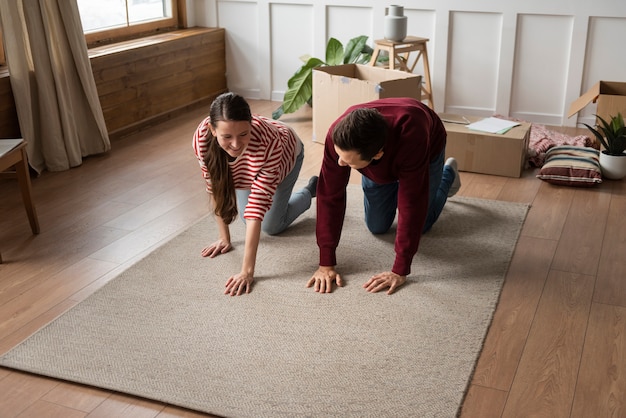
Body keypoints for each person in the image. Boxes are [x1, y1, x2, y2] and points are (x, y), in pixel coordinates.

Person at [307, 97, 461, 295]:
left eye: (349, 162)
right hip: (378, 157)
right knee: (377, 226)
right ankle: (390, 180)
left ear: (377, 155)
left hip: (426, 148)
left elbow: (412, 203)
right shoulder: (338, 136)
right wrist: (326, 263)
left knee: (422, 223)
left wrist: (400, 269)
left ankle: (447, 175)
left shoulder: (412, 136)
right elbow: (329, 195)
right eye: (340, 156)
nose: (340, 164)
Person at [193, 92, 318, 296]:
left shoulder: (270, 142)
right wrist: (224, 238)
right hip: (247, 169)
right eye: (227, 137)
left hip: (286, 156)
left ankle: (310, 191)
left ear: (251, 124)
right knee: (246, 219)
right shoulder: (201, 140)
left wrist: (247, 271)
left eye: (243, 134)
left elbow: (256, 207)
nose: (235, 144)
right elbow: (214, 187)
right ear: (212, 131)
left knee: (270, 226)